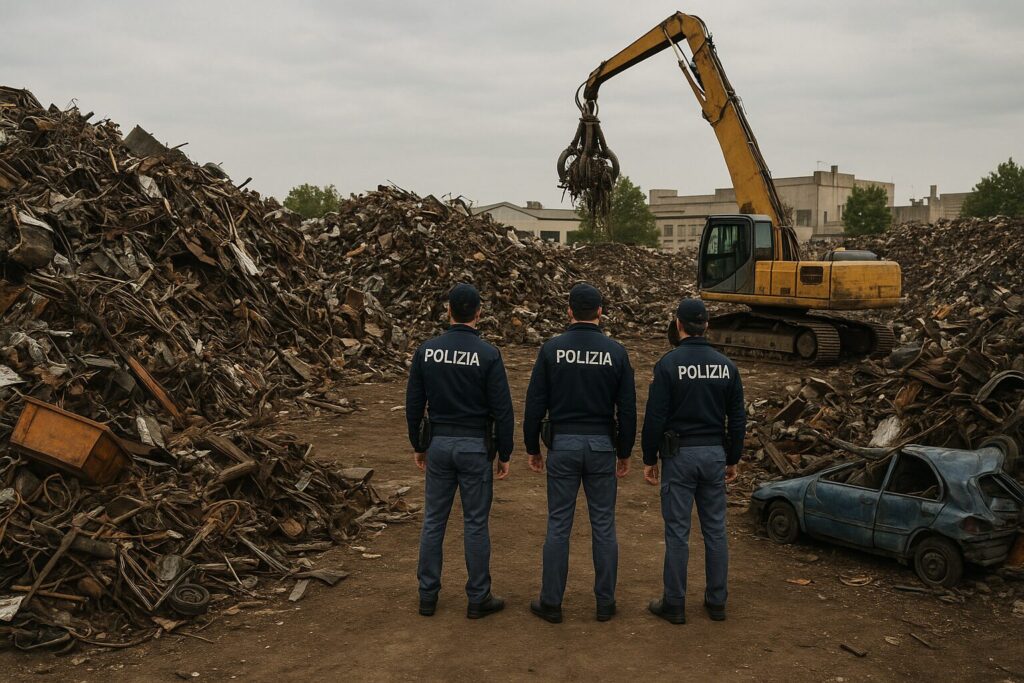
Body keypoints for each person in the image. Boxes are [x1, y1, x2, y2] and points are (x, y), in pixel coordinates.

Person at [523, 283, 637, 623]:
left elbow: (534, 404)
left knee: (558, 524)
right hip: (602, 446)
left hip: (563, 446)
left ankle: (552, 603)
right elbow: (628, 409)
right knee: (604, 525)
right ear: (600, 312)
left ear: (569, 311)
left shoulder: (551, 349)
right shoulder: (616, 352)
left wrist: (532, 447)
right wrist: (625, 451)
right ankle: (605, 603)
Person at [406, 283, 514, 619]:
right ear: (479, 313)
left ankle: (427, 596)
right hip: (475, 448)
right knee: (476, 523)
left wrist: (419, 444)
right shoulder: (489, 354)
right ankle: (478, 597)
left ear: (448, 310)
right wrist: (505, 453)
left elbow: (413, 404)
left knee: (434, 521)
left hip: (439, 444)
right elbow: (503, 409)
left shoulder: (428, 350)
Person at [641, 298, 746, 624]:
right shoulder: (726, 365)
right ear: (707, 325)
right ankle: (717, 602)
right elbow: (737, 417)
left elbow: (655, 416)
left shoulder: (669, 364)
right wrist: (733, 458)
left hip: (680, 456)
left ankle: (674, 604)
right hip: (713, 454)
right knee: (715, 530)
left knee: (677, 532)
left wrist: (649, 457)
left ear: (678, 324)